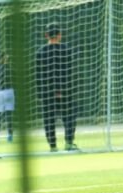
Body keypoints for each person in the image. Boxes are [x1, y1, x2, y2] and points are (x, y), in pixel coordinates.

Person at [36, 23, 78, 152]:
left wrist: (41, 93)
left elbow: (38, 75)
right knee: (69, 117)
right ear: (60, 35)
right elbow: (69, 71)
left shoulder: (40, 52)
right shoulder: (67, 49)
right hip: (66, 90)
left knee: (49, 119)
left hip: (47, 91)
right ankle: (69, 142)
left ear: (46, 35)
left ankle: (52, 145)